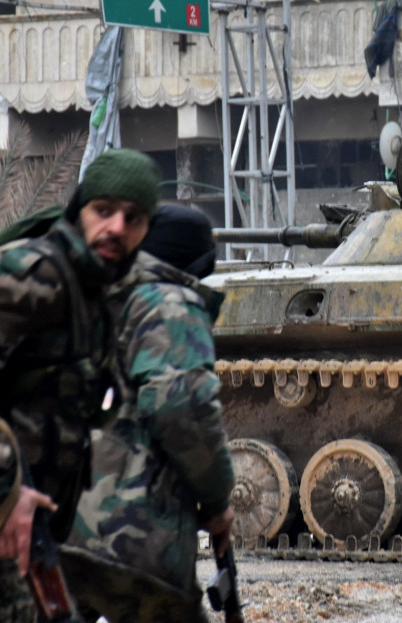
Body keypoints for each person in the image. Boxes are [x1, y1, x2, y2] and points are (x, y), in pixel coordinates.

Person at [0, 148, 161, 623]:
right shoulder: (29, 273)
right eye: (104, 211)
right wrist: (1, 491)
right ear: (79, 210)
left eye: (134, 218)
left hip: (25, 507)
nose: (117, 228)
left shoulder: (99, 291)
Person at [62, 204, 234, 623]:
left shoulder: (98, 299)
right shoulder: (171, 304)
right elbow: (182, 407)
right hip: (131, 528)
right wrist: (216, 500)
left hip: (63, 521)